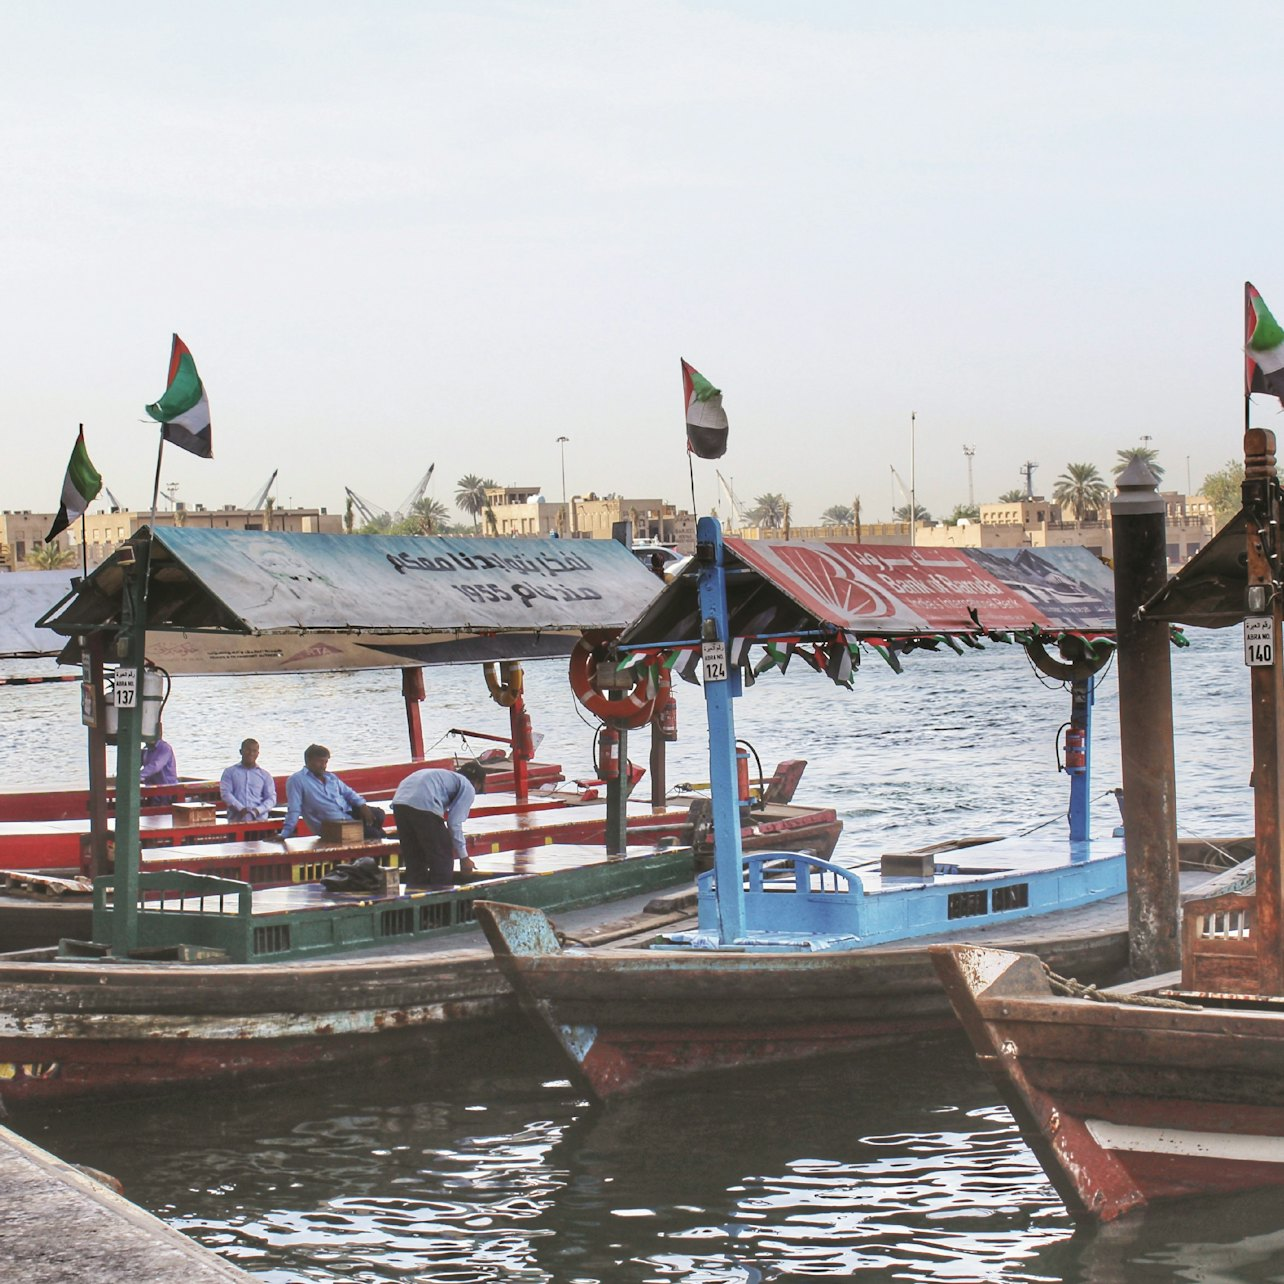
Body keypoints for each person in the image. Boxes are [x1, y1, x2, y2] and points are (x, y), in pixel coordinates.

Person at [391, 761, 486, 890]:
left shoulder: (445, 777)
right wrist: (464, 857)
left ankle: (415, 899)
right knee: (442, 858)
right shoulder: (468, 786)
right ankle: (441, 900)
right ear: (477, 783)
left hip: (399, 804)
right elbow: (454, 823)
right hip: (424, 804)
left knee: (414, 860)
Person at [281, 744, 379, 839]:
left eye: (325, 762)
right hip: (331, 825)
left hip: (347, 814)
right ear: (308, 760)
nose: (323, 766)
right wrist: (285, 833)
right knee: (375, 834)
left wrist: (362, 805)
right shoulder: (296, 780)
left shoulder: (330, 777)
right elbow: (294, 809)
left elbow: (349, 793)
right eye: (319, 762)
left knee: (378, 815)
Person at [220, 738, 277, 822]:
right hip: (236, 820)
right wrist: (241, 809)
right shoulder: (229, 772)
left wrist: (257, 811)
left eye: (254, 751)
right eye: (248, 750)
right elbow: (226, 794)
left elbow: (271, 798)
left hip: (259, 820)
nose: (251, 753)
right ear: (241, 751)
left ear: (258, 754)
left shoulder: (265, 775)